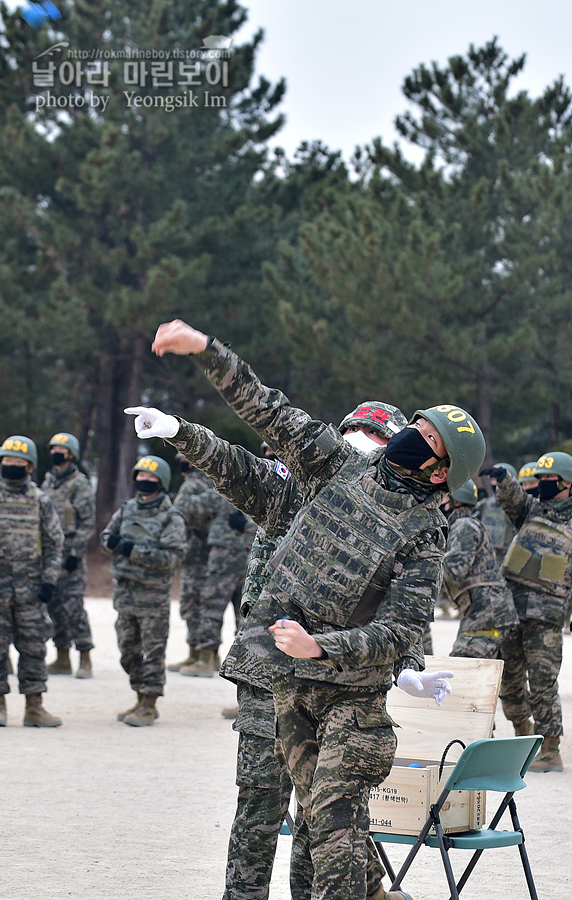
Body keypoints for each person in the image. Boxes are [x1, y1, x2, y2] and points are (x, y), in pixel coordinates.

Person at [126, 319, 485, 900]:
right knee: (263, 808)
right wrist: (199, 370)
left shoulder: (422, 532)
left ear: (438, 469)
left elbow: (402, 623)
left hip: (339, 687)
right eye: (410, 427)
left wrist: (383, 661)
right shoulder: (326, 471)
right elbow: (263, 418)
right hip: (274, 675)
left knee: (324, 825)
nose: (397, 441)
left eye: (423, 438)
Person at [482, 451, 572, 772]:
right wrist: (504, 480)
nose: (543, 484)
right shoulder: (531, 510)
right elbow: (514, 499)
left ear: (566, 482)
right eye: (541, 479)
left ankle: (550, 748)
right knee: (509, 678)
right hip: (511, 609)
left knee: (543, 682)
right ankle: (522, 733)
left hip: (545, 618)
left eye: (548, 480)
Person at [101, 455, 185, 727]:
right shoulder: (127, 509)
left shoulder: (171, 517)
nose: (144, 481)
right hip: (125, 595)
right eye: (141, 476)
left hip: (152, 598)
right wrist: (112, 543)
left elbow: (172, 558)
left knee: (152, 653)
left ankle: (149, 704)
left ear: (160, 482)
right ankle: (139, 697)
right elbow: (106, 537)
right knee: (128, 651)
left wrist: (132, 551)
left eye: (150, 478)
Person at [0, 435, 64, 728]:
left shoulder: (40, 501)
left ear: (30, 467)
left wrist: (49, 580)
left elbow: (54, 544)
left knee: (34, 647)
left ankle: (34, 706)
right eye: (6, 461)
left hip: (31, 589)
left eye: (17, 462)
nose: (11, 466)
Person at [440, 479, 519, 659]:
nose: (438, 503)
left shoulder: (464, 526)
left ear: (456, 502)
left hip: (487, 614)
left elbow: (454, 571)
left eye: (443, 498)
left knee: (463, 668)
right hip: (486, 613)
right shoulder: (460, 525)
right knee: (499, 681)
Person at [180, 494, 256, 677]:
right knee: (238, 610)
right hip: (242, 554)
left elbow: (190, 508)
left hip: (232, 555)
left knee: (218, 607)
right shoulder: (220, 492)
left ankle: (209, 659)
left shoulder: (230, 487)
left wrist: (247, 526)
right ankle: (210, 658)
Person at [42, 432, 96, 678]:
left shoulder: (79, 484)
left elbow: (87, 523)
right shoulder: (47, 482)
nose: (56, 452)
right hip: (49, 557)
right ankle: (62, 656)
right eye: (53, 448)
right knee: (54, 607)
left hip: (70, 558)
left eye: (61, 449)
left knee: (73, 607)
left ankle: (85, 656)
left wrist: (75, 553)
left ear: (71, 455)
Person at [168, 454, 215, 672]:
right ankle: (207, 655)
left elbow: (177, 517)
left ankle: (197, 654)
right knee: (205, 605)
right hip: (212, 554)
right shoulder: (215, 482)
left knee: (193, 604)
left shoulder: (191, 486)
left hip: (195, 554)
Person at [474, 462, 517, 566]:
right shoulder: (485, 505)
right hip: (487, 558)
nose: (495, 483)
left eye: (498, 479)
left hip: (509, 559)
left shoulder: (517, 506)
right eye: (493, 480)